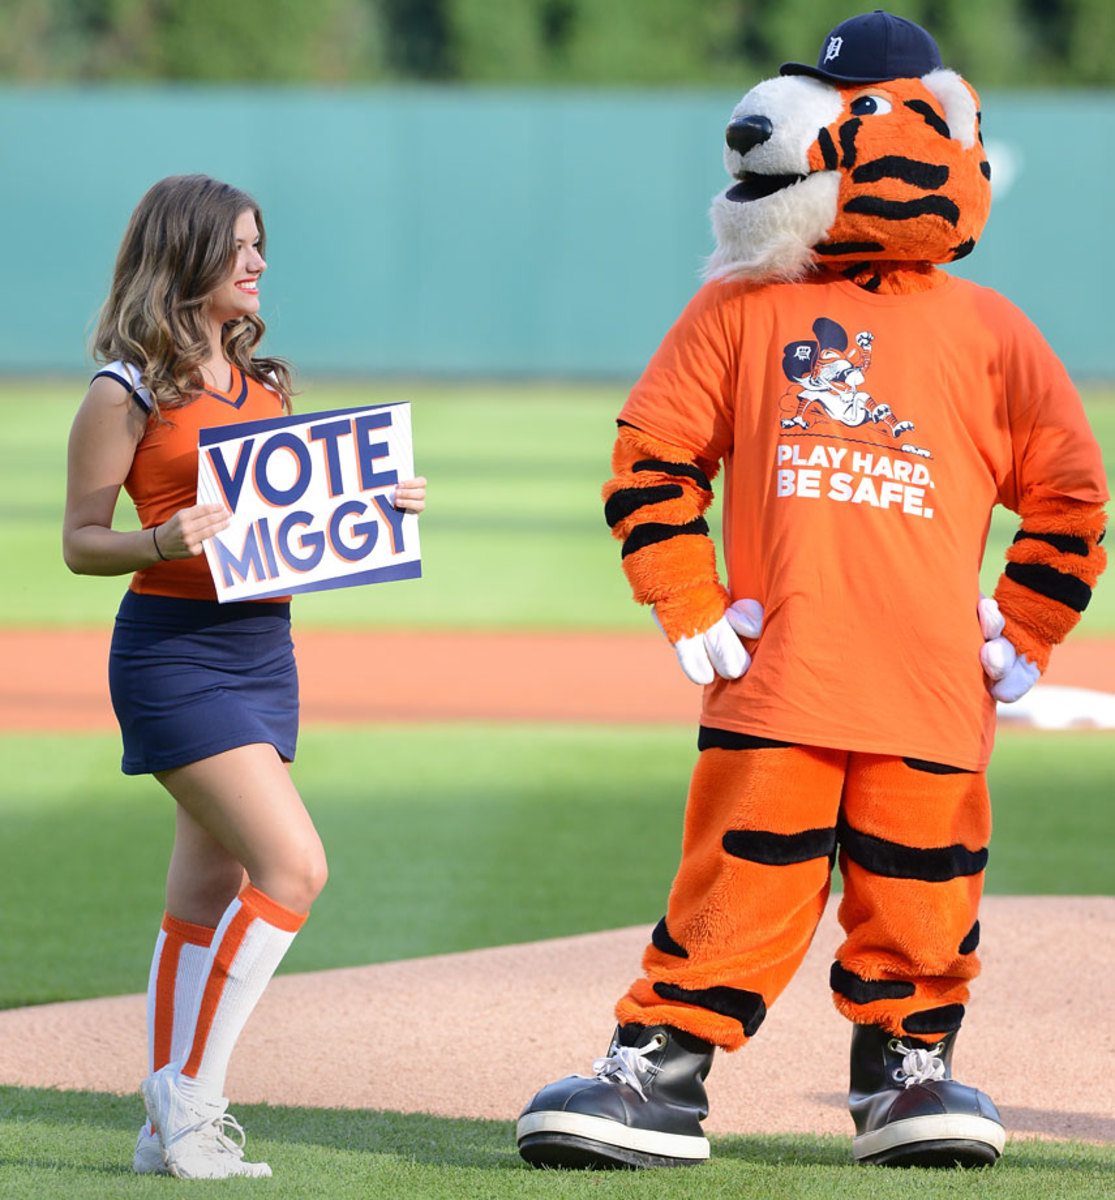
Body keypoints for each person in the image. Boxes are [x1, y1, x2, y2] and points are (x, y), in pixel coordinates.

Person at [516, 10, 1106, 1173]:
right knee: (735, 886)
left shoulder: (991, 334)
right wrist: (684, 595)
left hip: (931, 695)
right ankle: (661, 1070)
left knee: (922, 896)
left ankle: (903, 1070)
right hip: (776, 676)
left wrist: (1028, 623)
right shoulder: (735, 310)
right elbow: (652, 456)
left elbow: (1072, 492)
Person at [62, 174, 427, 1179]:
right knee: (293, 868)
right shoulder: (124, 390)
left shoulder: (267, 381)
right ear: (185, 258)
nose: (258, 263)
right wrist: (157, 537)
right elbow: (80, 544)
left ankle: (158, 1130)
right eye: (239, 247)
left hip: (264, 654)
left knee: (205, 890)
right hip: (174, 654)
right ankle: (191, 1095)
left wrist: (375, 506)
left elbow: (288, 532)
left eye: (261, 245)